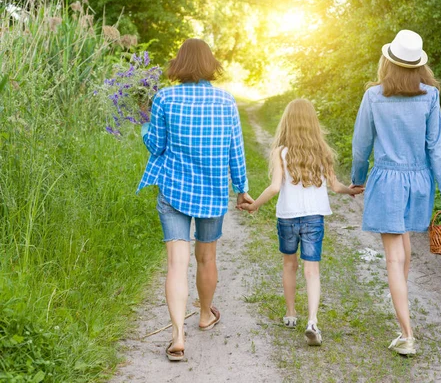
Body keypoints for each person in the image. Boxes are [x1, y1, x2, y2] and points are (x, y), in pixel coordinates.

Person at [137, 38, 253, 361]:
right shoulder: (226, 102)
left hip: (174, 190)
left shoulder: (164, 99)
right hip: (213, 193)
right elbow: (235, 150)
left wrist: (145, 127)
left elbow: (156, 146)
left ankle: (177, 336)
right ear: (209, 64)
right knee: (206, 258)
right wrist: (241, 188)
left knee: (177, 262)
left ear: (179, 64)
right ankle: (204, 315)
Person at [350, 30, 441, 356]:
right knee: (404, 248)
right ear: (417, 65)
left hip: (387, 181)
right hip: (419, 183)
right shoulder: (430, 96)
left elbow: (361, 144)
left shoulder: (374, 96)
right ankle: (402, 316)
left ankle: (407, 333)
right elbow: (436, 147)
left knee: (394, 258)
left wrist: (357, 179)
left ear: (389, 61)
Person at [239, 99, 364, 346]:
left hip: (287, 216)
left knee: (289, 265)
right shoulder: (322, 151)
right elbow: (335, 185)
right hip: (313, 217)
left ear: (287, 122)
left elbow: (275, 187)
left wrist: (255, 205)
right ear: (312, 123)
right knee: (312, 269)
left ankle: (291, 313)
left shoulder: (280, 152)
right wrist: (349, 190)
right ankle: (313, 321)